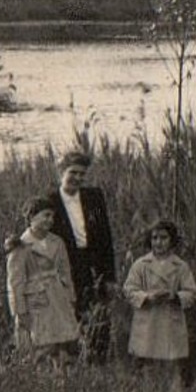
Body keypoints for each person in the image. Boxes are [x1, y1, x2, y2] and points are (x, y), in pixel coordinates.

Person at [50, 149, 116, 360]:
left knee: (99, 311)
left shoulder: (93, 196)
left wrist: (109, 276)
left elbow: (106, 238)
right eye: (73, 173)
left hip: (93, 262)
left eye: (82, 174)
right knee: (72, 311)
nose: (77, 178)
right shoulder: (50, 200)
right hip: (67, 264)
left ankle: (98, 360)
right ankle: (74, 359)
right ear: (61, 172)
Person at [122, 219, 196, 391]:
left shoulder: (180, 266)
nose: (158, 242)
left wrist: (176, 296)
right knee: (147, 361)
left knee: (171, 362)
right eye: (155, 238)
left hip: (170, 319)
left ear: (172, 240)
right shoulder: (141, 265)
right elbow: (129, 289)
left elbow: (192, 292)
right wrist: (146, 297)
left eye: (163, 238)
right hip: (149, 319)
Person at [5, 196, 80, 359]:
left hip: (58, 298)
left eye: (52, 216)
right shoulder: (20, 246)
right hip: (35, 302)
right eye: (46, 215)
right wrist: (19, 311)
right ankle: (39, 378)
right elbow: (15, 283)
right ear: (32, 217)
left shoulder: (57, 242)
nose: (50, 220)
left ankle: (61, 376)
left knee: (62, 343)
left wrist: (70, 297)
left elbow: (65, 272)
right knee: (39, 345)